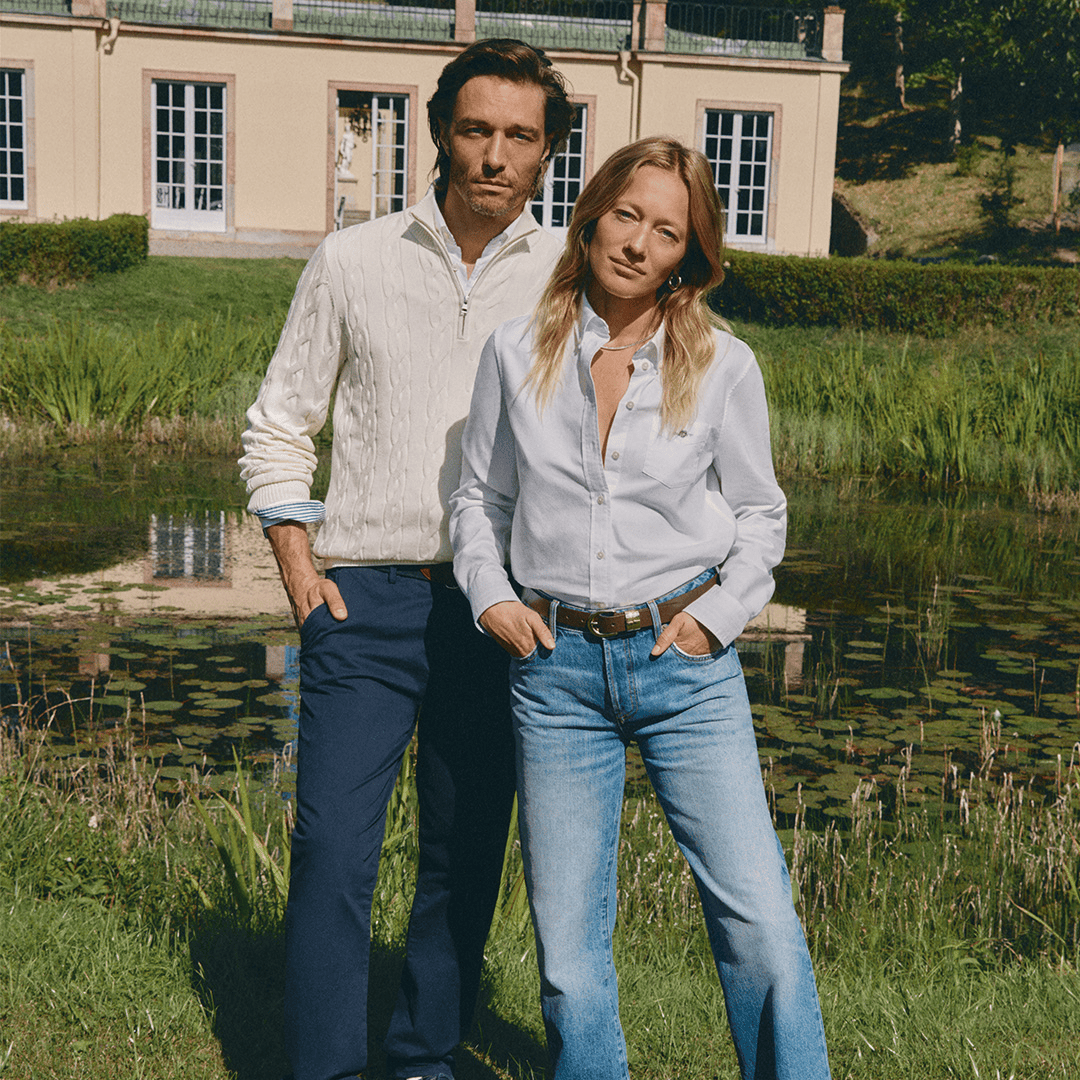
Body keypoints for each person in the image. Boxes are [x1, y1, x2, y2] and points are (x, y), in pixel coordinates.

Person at [450, 136, 831, 1080]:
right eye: (626, 216)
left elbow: (760, 514)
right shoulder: (515, 351)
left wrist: (717, 619)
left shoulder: (724, 365)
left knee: (758, 919)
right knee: (568, 945)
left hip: (684, 666)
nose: (637, 245)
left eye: (666, 232)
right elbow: (480, 499)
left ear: (687, 256)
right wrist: (491, 595)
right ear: (591, 219)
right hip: (555, 673)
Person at [239, 39, 575, 1080]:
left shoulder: (569, 279)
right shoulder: (353, 260)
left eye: (520, 136)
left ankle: (425, 1056)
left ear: (548, 151)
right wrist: (300, 570)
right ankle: (325, 1068)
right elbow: (279, 422)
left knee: (465, 849)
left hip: (497, 605)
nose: (494, 156)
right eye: (475, 129)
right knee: (332, 847)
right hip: (363, 600)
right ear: (439, 133)